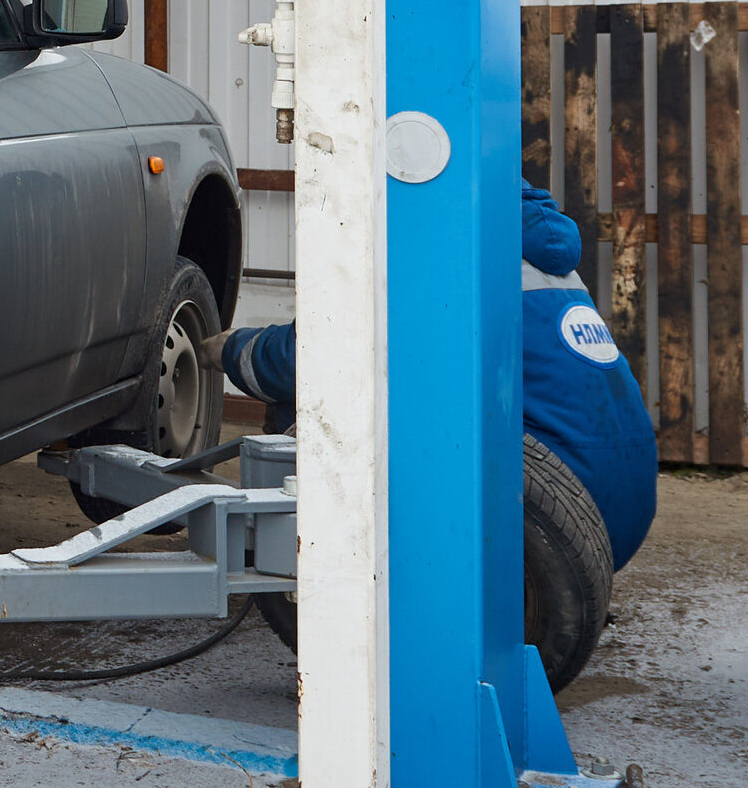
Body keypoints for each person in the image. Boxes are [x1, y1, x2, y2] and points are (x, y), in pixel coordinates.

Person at [219, 177, 659, 571]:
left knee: (316, 401)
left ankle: (312, 570)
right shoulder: (538, 254)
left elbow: (314, 357)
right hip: (615, 516)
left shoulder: (443, 253)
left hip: (547, 517)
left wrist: (227, 348)